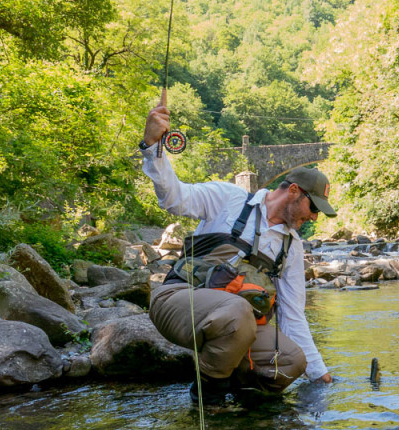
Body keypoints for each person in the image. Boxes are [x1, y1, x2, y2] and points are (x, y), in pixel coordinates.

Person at [139, 95, 334, 403]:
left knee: (292, 362)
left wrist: (321, 376)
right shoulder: (227, 197)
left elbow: (294, 317)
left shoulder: (291, 248)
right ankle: (208, 397)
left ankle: (238, 392)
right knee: (237, 311)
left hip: (235, 325)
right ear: (293, 191)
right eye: (314, 208)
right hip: (178, 300)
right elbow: (173, 199)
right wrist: (153, 147)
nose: (313, 217)